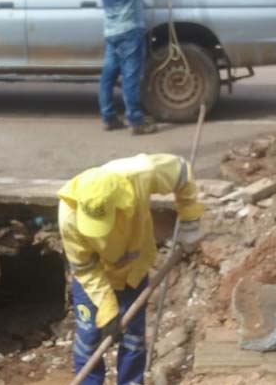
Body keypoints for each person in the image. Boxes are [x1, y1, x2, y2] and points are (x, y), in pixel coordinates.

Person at [57, 153, 204, 385]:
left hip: (132, 273)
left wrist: (189, 219)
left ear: (118, 204)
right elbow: (84, 268)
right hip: (94, 279)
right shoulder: (68, 216)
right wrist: (107, 308)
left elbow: (181, 172)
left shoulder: (140, 174)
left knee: (133, 339)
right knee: (89, 339)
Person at [96, 0, 170, 135]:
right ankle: (136, 121)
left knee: (108, 75)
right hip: (129, 28)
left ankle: (109, 117)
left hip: (111, 29)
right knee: (130, 75)